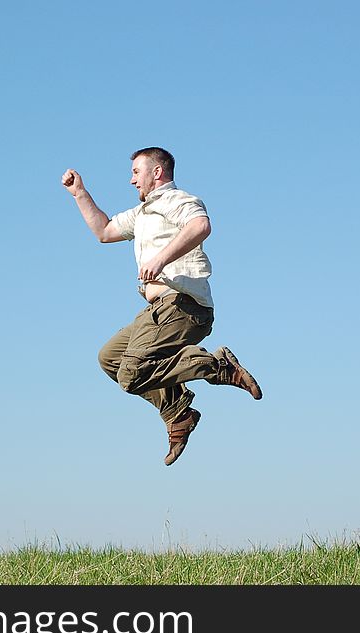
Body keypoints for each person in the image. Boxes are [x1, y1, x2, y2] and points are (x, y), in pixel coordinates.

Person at [60, 146, 262, 466]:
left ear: (157, 172)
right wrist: (79, 193)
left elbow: (200, 226)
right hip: (156, 310)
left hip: (181, 304)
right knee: (111, 358)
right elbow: (104, 231)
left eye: (136, 172)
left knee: (131, 374)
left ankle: (216, 366)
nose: (131, 180)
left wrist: (161, 258)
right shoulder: (142, 214)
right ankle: (177, 411)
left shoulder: (176, 200)